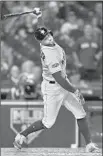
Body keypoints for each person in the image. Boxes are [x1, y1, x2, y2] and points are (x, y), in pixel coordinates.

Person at [13, 8, 99, 152]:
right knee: (48, 123)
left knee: (80, 112)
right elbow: (59, 78)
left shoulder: (44, 41)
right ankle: (22, 135)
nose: (49, 38)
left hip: (63, 84)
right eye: (45, 38)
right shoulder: (49, 53)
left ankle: (89, 144)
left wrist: (39, 15)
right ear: (42, 42)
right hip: (53, 88)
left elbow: (41, 28)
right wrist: (75, 90)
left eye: (48, 35)